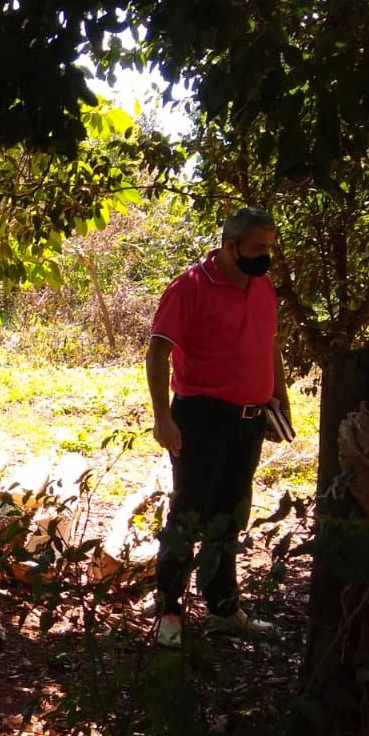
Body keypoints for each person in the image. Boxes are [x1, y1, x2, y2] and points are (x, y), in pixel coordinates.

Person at [146, 206, 290, 649]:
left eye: (270, 247)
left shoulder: (262, 286)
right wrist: (162, 419)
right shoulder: (190, 287)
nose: (267, 256)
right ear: (231, 246)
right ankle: (169, 612)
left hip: (248, 420)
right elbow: (157, 352)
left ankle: (224, 608)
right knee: (188, 514)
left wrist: (279, 398)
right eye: (259, 248)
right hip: (200, 419)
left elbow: (269, 345)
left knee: (230, 515)